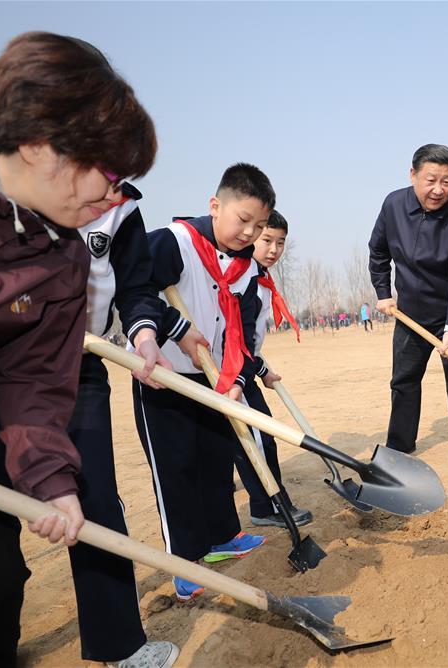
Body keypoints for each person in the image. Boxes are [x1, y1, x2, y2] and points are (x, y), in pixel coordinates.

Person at [0, 32, 156, 666]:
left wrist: (50, 482)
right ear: (42, 145)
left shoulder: (64, 258)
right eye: (110, 174)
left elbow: (35, 382)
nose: (113, 197)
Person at [133, 163, 273, 602]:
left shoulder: (246, 268)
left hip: (214, 379)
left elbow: (244, 332)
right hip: (166, 378)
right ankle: (184, 560)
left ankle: (222, 538)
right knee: (176, 471)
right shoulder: (173, 243)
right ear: (215, 206)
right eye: (242, 220)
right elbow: (137, 289)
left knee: (215, 462)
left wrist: (237, 379)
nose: (249, 232)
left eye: (260, 225)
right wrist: (164, 328)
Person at [70, 184, 191, 666]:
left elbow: (134, 285)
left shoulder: (122, 205)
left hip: (80, 364)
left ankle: (117, 644)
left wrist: (143, 333)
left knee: (95, 499)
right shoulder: (1, 179)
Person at [369, 144, 448, 487]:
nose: (438, 189)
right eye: (431, 179)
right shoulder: (393, 205)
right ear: (413, 175)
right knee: (403, 382)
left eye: (446, 181)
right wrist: (382, 293)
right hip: (410, 315)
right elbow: (378, 251)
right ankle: (399, 450)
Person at [232, 209, 312, 528]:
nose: (273, 250)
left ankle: (265, 505)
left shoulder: (260, 279)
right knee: (257, 437)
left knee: (257, 436)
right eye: (267, 240)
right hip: (228, 371)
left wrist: (261, 366)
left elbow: (249, 338)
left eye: (280, 243)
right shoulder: (240, 276)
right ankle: (269, 505)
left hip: (246, 367)